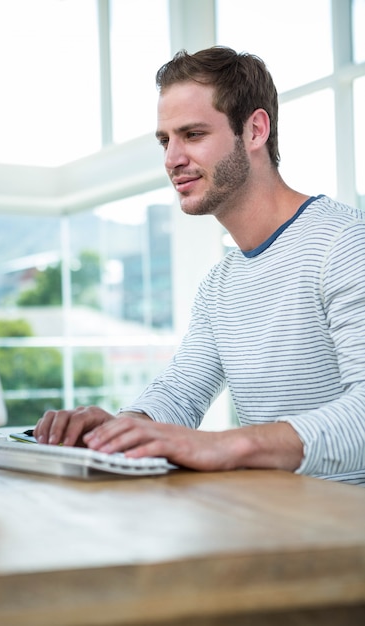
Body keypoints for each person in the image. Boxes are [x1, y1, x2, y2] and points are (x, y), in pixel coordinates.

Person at [34, 46, 365, 485]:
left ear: (254, 130)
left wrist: (230, 444)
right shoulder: (221, 283)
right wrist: (119, 428)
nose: (171, 159)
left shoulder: (345, 244)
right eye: (165, 140)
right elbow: (181, 390)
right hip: (279, 521)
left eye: (192, 134)